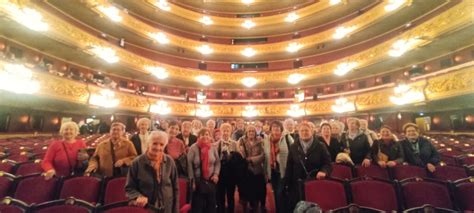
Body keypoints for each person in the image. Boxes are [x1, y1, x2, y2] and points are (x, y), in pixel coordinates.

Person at [126, 131, 179, 213]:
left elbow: (175, 188)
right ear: (148, 144)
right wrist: (138, 196)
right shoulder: (137, 162)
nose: (158, 147)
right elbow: (129, 188)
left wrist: (175, 210)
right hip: (146, 208)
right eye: (154, 143)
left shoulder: (169, 161)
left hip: (167, 207)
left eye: (161, 144)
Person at [284, 122, 332, 210]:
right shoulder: (294, 147)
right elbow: (289, 166)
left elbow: (328, 164)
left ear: (312, 131)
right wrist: (287, 184)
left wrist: (324, 171)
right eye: (302, 131)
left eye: (306, 130)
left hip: (315, 183)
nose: (304, 133)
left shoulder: (320, 146)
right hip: (297, 185)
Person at [263, 121, 293, 213]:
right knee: (276, 193)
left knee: (280, 193)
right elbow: (266, 156)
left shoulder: (287, 137)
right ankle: (279, 210)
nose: (276, 129)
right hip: (273, 170)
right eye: (274, 127)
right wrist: (266, 172)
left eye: (277, 127)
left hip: (284, 170)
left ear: (281, 128)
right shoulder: (267, 140)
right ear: (271, 129)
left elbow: (294, 152)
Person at [188, 128, 221, 213]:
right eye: (202, 134)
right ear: (198, 136)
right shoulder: (193, 148)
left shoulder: (213, 147)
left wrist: (216, 174)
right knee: (198, 207)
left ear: (210, 136)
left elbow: (217, 162)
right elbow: (189, 165)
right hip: (198, 181)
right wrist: (192, 181)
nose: (205, 136)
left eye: (207, 134)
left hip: (211, 181)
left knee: (211, 206)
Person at [238, 125, 266, 213]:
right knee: (247, 190)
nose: (251, 133)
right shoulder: (241, 141)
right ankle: (248, 206)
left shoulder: (260, 141)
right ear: (246, 132)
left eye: (252, 131)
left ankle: (257, 207)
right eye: (249, 131)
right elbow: (240, 154)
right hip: (246, 170)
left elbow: (263, 155)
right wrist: (242, 154)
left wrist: (252, 159)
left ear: (255, 133)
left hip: (258, 169)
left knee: (258, 190)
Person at [215, 123, 239, 213]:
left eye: (227, 131)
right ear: (221, 132)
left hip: (231, 173)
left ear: (230, 132)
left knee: (230, 195)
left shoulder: (235, 144)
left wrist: (230, 156)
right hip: (220, 172)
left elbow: (238, 159)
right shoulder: (216, 144)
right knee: (220, 195)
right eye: (224, 131)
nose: (225, 133)